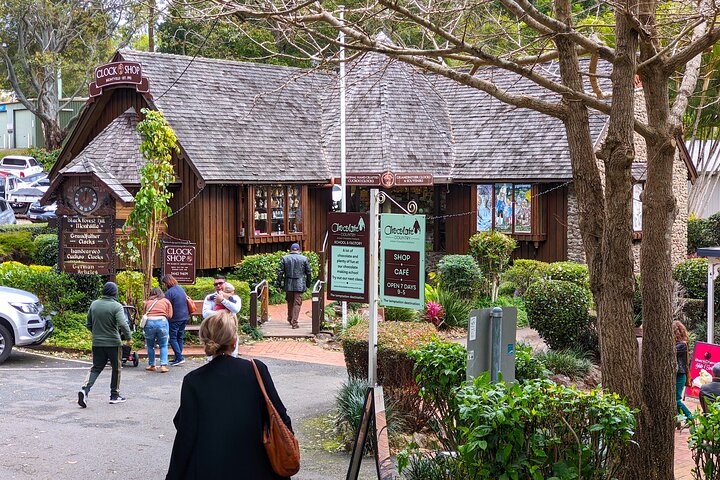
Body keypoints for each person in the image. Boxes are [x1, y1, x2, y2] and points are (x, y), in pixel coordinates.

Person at [166, 310, 293, 480]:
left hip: (210, 467)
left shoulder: (194, 380)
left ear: (205, 340)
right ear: (234, 341)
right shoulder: (256, 371)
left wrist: (174, 474)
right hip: (257, 466)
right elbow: (280, 416)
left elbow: (185, 434)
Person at [78, 282, 132, 407]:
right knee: (116, 368)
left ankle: (85, 390)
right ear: (115, 293)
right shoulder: (116, 306)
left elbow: (88, 324)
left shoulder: (94, 304)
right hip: (113, 342)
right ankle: (114, 395)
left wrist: (96, 333)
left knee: (96, 367)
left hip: (97, 342)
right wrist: (128, 338)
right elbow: (123, 324)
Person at [276, 243, 311, 329]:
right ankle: (294, 323)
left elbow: (280, 272)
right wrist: (308, 284)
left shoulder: (285, 258)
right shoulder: (304, 259)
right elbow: (308, 272)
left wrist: (278, 285)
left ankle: (290, 318)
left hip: (288, 283)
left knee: (290, 301)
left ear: (291, 250)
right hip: (299, 283)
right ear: (298, 250)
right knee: (297, 303)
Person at [143, 287, 173, 373]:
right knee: (163, 345)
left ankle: (152, 365)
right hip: (162, 322)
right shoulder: (166, 301)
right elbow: (170, 315)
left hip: (149, 323)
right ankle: (163, 366)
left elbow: (144, 314)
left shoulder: (147, 302)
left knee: (150, 345)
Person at [162, 274, 189, 366]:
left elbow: (166, 305)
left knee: (173, 338)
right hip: (185, 316)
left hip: (175, 318)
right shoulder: (180, 288)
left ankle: (180, 357)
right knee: (180, 337)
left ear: (167, 283)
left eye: (164, 283)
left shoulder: (169, 293)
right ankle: (178, 357)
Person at [674, 320, 694, 426]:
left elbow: (671, 352)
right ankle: (678, 420)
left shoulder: (682, 345)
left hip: (680, 375)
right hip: (677, 375)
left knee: (676, 399)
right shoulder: (680, 344)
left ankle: (690, 417)